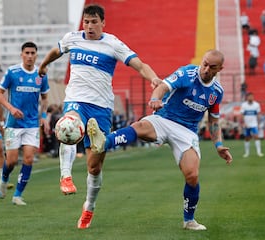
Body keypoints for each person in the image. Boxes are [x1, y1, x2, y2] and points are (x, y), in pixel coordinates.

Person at [38, 4, 161, 228]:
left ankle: (89, 207)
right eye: (86, 21)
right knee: (68, 126)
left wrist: (153, 79)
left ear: (103, 23)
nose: (89, 26)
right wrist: (44, 64)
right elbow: (57, 50)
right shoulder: (72, 38)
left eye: (94, 22)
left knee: (94, 166)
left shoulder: (112, 44)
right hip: (76, 100)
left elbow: (140, 65)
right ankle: (65, 176)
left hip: (101, 108)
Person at [87, 49, 233, 230]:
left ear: (220, 69)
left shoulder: (216, 92)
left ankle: (189, 220)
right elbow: (163, 86)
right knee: (139, 127)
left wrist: (218, 145)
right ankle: (104, 142)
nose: (205, 69)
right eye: (204, 63)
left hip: (186, 132)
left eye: (211, 67)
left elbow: (214, 120)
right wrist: (155, 98)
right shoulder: (187, 73)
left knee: (192, 176)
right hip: (164, 118)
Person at [0, 41, 50, 205]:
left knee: (28, 158)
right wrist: (10, 109)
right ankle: (4, 179)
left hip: (32, 124)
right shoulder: (12, 72)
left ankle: (17, 195)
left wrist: (44, 116)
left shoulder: (41, 75)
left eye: (33, 53)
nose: (29, 56)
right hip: (13, 124)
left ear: (36, 55)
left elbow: (45, 98)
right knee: (11, 161)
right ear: (22, 55)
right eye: (27, 53)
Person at [240, 92, 264, 157]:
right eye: (249, 96)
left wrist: (258, 123)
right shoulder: (244, 105)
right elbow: (242, 114)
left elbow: (258, 114)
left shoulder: (256, 105)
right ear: (247, 97)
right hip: (247, 124)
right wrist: (244, 123)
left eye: (252, 96)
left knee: (256, 136)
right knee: (247, 138)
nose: (251, 98)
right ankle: (247, 153)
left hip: (254, 124)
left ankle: (259, 152)